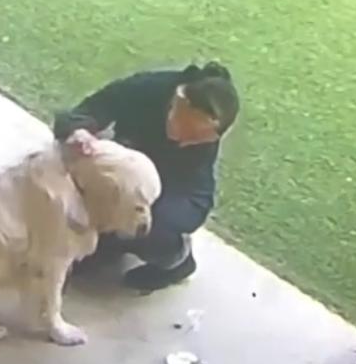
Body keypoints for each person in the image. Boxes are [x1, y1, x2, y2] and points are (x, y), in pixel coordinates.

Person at [52, 61, 240, 291]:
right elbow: (82, 113)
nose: (184, 141)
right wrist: (80, 132)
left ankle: (177, 261)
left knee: (151, 230)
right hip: (124, 172)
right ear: (176, 102)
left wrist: (144, 212)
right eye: (183, 128)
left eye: (197, 138)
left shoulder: (202, 138)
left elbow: (194, 198)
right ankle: (109, 243)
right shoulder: (148, 88)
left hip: (167, 194)